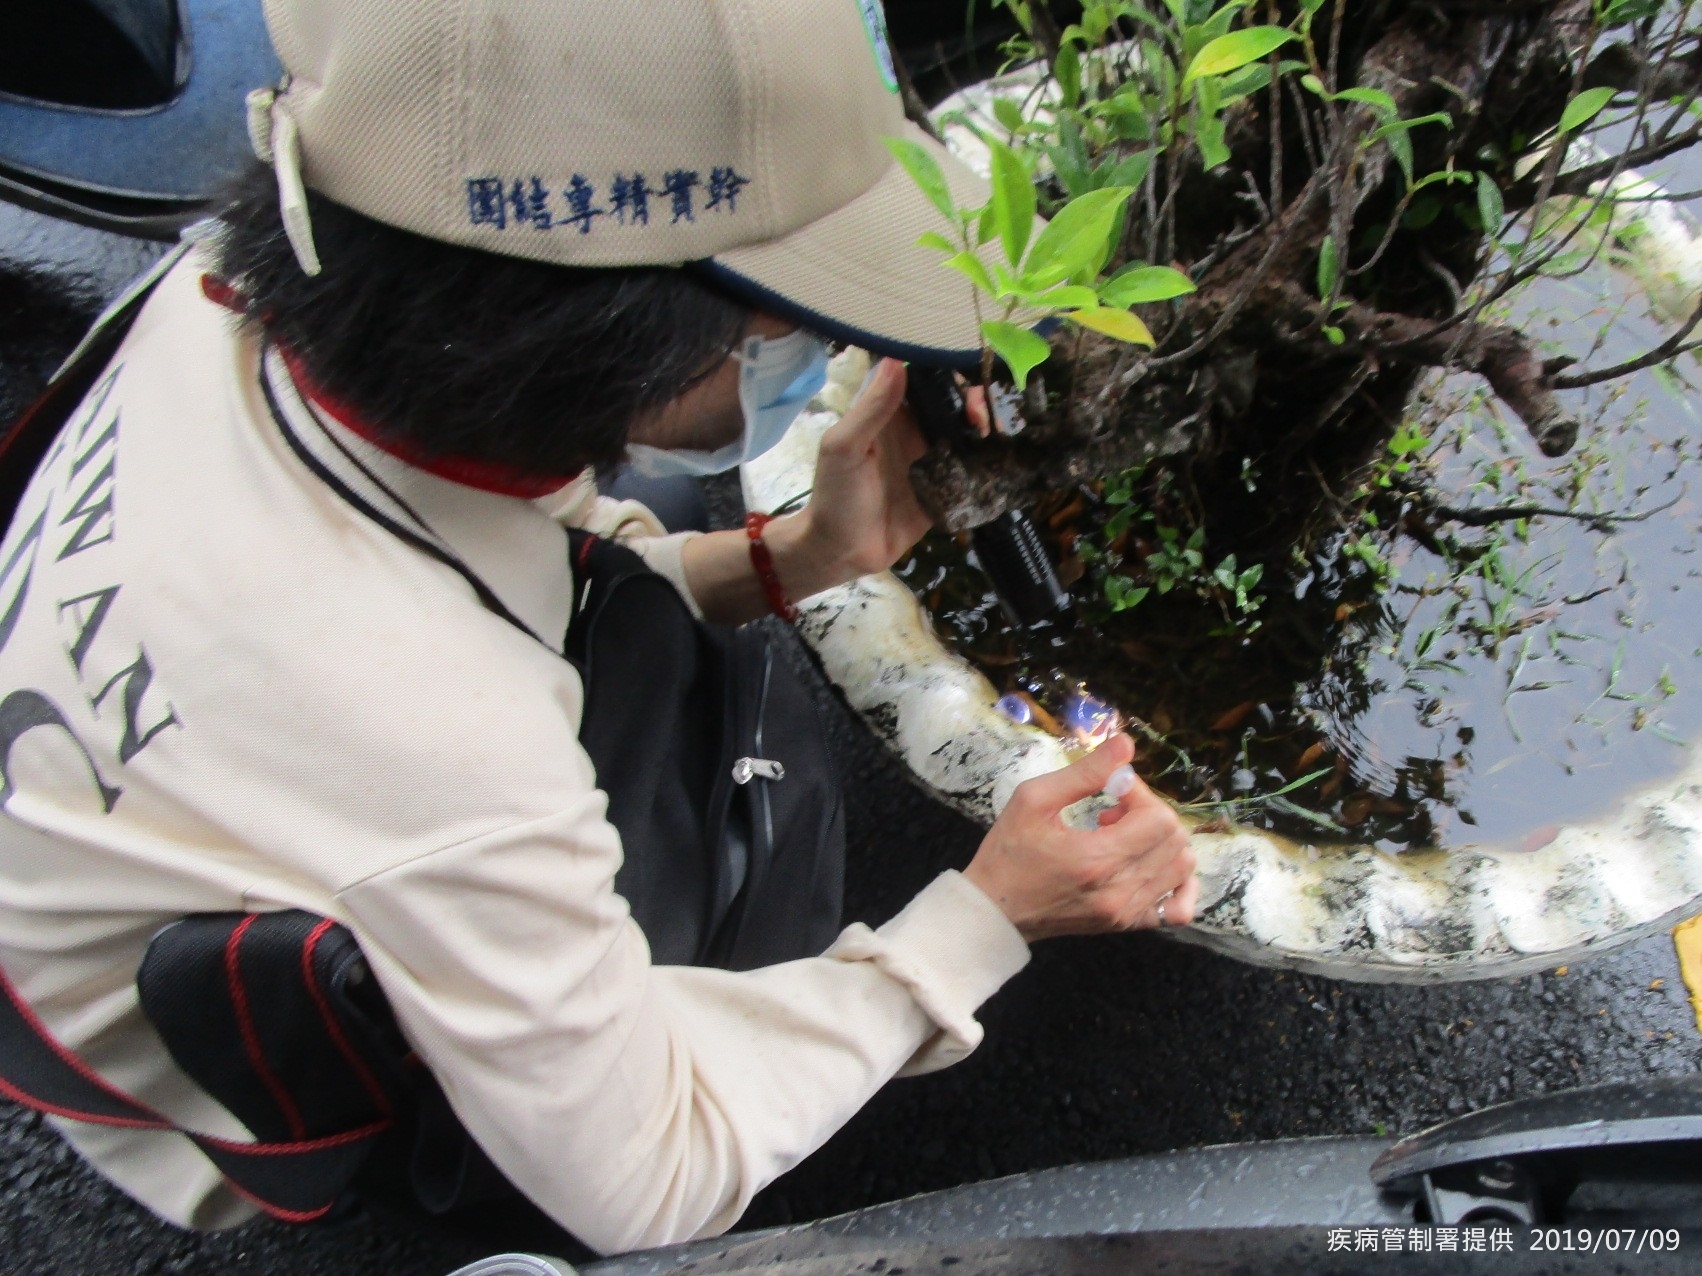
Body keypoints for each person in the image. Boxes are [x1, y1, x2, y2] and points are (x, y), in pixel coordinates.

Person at [0, 0, 1197, 1257]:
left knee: (664, 550)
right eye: (790, 317)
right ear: (604, 338)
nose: (823, 346)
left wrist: (803, 555)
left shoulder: (252, 295)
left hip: (211, 814)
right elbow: (651, 1174)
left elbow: (510, 544)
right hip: (243, 1073)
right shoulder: (425, 725)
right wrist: (987, 917)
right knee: (751, 891)